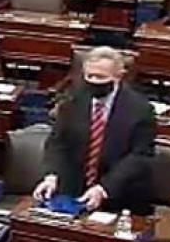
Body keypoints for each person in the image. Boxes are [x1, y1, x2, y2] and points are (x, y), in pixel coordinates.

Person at [33, 47, 154, 213]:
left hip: (118, 195)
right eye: (90, 76)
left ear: (118, 76)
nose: (94, 81)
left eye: (101, 77)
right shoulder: (72, 100)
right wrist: (52, 175)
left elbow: (140, 156)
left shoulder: (140, 109)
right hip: (73, 191)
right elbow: (58, 142)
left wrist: (103, 189)